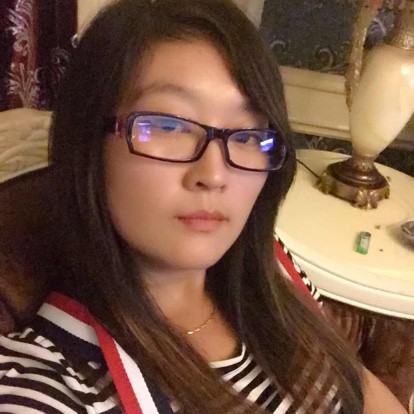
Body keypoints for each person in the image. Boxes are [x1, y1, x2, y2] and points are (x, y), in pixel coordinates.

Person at [0, 0, 408, 413]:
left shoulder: (273, 269)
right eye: (169, 125)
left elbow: (361, 390)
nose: (214, 174)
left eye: (248, 135)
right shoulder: (49, 388)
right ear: (89, 142)